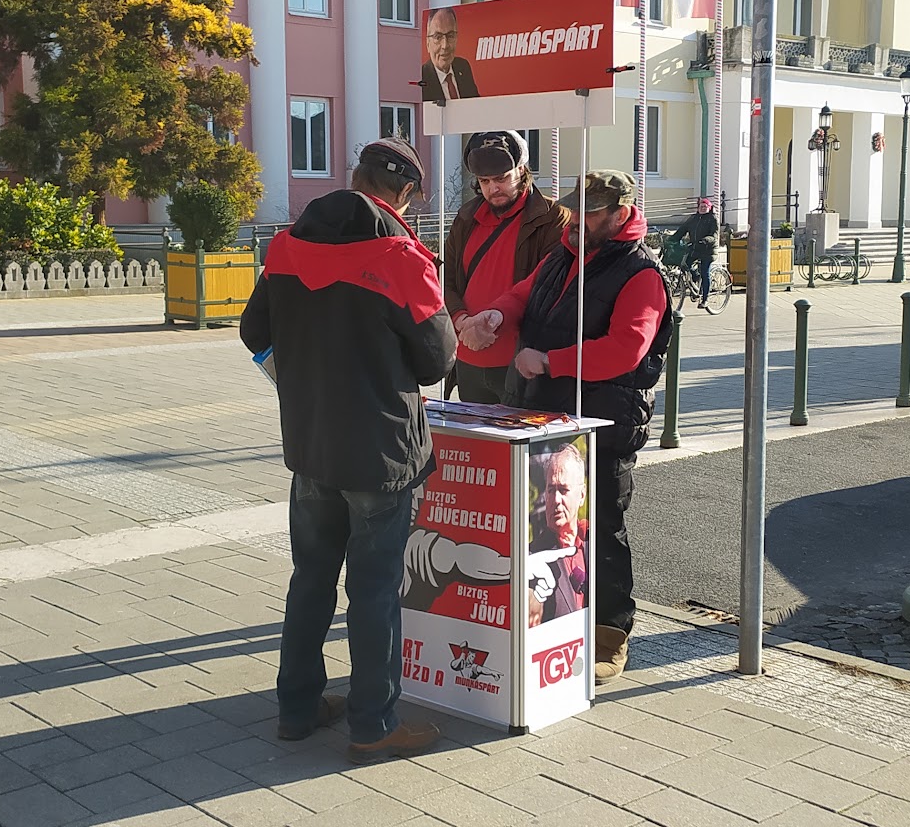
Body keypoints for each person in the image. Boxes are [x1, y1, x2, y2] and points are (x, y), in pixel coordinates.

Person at [239, 137, 455, 765]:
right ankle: (373, 722)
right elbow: (437, 361)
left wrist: (299, 382)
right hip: (382, 454)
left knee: (310, 578)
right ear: (405, 195)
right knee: (376, 589)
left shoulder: (285, 245)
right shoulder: (403, 258)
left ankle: (298, 709)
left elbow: (254, 332)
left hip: (310, 446)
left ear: (354, 175)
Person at [467, 170, 671, 682]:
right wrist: (494, 316)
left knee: (601, 528)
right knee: (545, 530)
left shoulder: (641, 273)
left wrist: (552, 362)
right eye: (576, 210)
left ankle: (610, 634)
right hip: (546, 415)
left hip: (604, 420)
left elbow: (627, 349)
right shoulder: (561, 257)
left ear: (621, 215)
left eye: (592, 213)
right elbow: (520, 295)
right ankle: (557, 619)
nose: (578, 220)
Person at [443, 131, 571, 402]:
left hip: (522, 362)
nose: (493, 188)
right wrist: (462, 320)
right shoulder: (466, 218)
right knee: (477, 444)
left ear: (521, 171)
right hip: (468, 359)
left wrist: (491, 324)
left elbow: (550, 287)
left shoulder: (553, 218)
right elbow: (445, 279)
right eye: (484, 181)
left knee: (523, 445)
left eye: (502, 178)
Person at [526, 441, 589, 628]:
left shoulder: (593, 542)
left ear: (582, 495)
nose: (555, 500)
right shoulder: (533, 558)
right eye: (551, 490)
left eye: (563, 490)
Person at [668, 198, 721, 310]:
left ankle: (705, 299)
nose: (702, 208)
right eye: (700, 206)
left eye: (705, 206)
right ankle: (695, 277)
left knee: (705, 272)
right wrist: (672, 239)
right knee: (685, 264)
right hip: (695, 248)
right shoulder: (693, 219)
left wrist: (706, 240)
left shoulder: (713, 219)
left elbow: (714, 235)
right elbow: (682, 230)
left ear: (709, 208)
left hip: (708, 250)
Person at [420, 8, 480, 101]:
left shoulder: (463, 67)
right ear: (427, 43)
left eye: (450, 36)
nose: (445, 45)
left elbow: (477, 107)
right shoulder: (422, 77)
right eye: (438, 37)